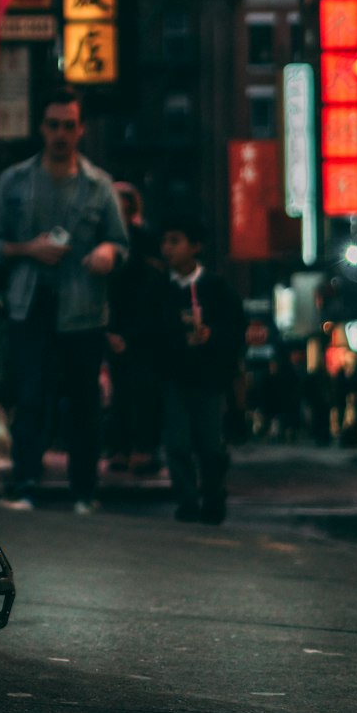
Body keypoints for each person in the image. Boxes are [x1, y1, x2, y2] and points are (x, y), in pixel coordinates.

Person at [0, 85, 128, 513]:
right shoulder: (14, 181)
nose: (61, 134)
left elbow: (121, 245)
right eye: (53, 125)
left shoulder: (99, 186)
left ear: (81, 129)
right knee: (30, 398)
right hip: (29, 306)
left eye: (69, 126)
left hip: (83, 310)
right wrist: (30, 249)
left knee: (83, 403)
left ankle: (84, 492)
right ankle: (26, 485)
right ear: (41, 128)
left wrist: (107, 253)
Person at [153, 215, 245, 524]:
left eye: (175, 241)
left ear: (195, 246)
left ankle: (213, 495)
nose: (168, 248)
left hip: (208, 378)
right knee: (177, 442)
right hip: (173, 377)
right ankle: (187, 500)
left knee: (210, 445)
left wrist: (213, 336)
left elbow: (235, 329)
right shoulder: (161, 288)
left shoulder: (215, 287)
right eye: (165, 241)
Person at [104, 182, 162, 475]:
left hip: (139, 327)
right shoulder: (113, 242)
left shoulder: (140, 240)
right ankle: (127, 448)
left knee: (137, 390)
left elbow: (148, 290)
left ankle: (137, 448)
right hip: (120, 325)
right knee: (125, 391)